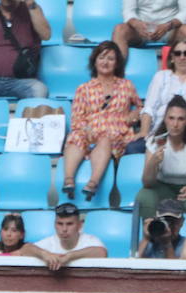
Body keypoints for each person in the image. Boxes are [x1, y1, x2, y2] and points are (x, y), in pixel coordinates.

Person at [61, 42, 142, 202]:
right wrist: (86, 129)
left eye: (110, 58)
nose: (105, 62)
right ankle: (69, 180)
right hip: (89, 130)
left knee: (105, 139)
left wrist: (135, 113)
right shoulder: (84, 88)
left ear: (117, 62)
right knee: (76, 137)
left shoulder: (126, 85)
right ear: (95, 61)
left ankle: (93, 183)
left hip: (116, 133)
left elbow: (141, 107)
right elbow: (77, 118)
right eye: (102, 57)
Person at [135, 94, 186, 217]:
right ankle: (149, 232)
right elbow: (147, 183)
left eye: (181, 119)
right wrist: (153, 163)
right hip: (163, 186)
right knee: (145, 196)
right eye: (171, 118)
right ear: (165, 119)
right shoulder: (154, 140)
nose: (175, 124)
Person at [24, 202, 109, 268]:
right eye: (60, 224)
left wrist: (69, 256)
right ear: (54, 224)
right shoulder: (50, 241)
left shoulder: (89, 240)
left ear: (80, 225)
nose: (64, 229)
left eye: (69, 224)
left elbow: (101, 253)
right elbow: (26, 249)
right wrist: (44, 254)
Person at [113, 0, 186, 58]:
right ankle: (116, 76)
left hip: (170, 29)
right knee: (120, 30)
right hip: (141, 30)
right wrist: (136, 24)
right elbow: (128, 11)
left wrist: (168, 26)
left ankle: (183, 75)